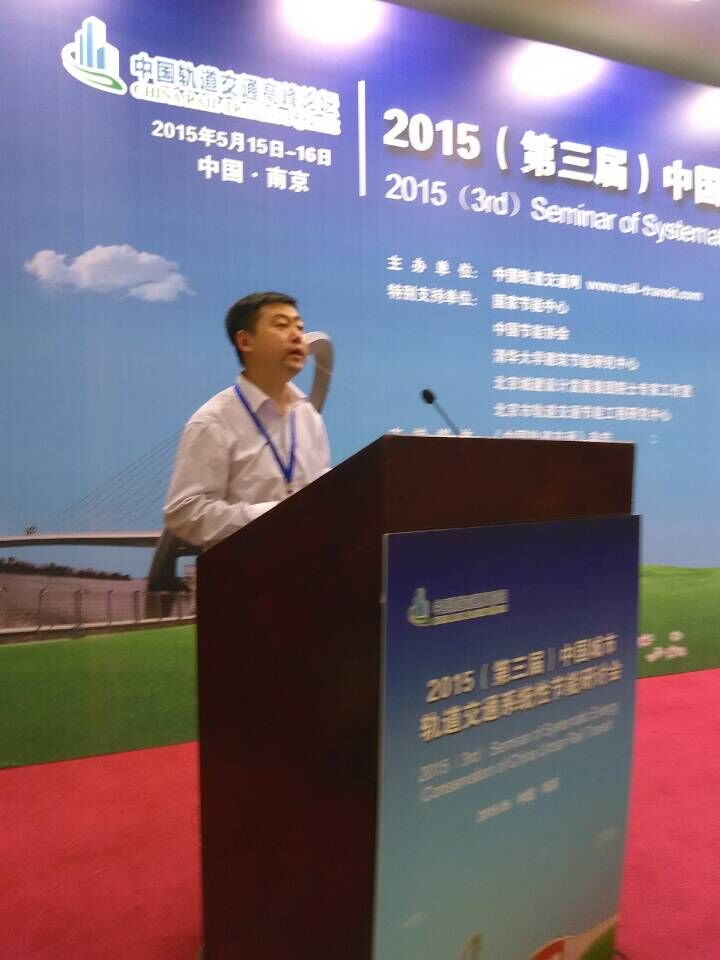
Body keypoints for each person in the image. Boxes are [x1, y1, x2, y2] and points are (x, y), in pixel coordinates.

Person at [164, 292, 330, 550]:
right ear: (245, 341)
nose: (298, 336)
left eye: (299, 326)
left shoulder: (308, 416)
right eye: (282, 325)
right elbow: (184, 512)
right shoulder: (213, 421)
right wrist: (271, 515)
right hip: (244, 570)